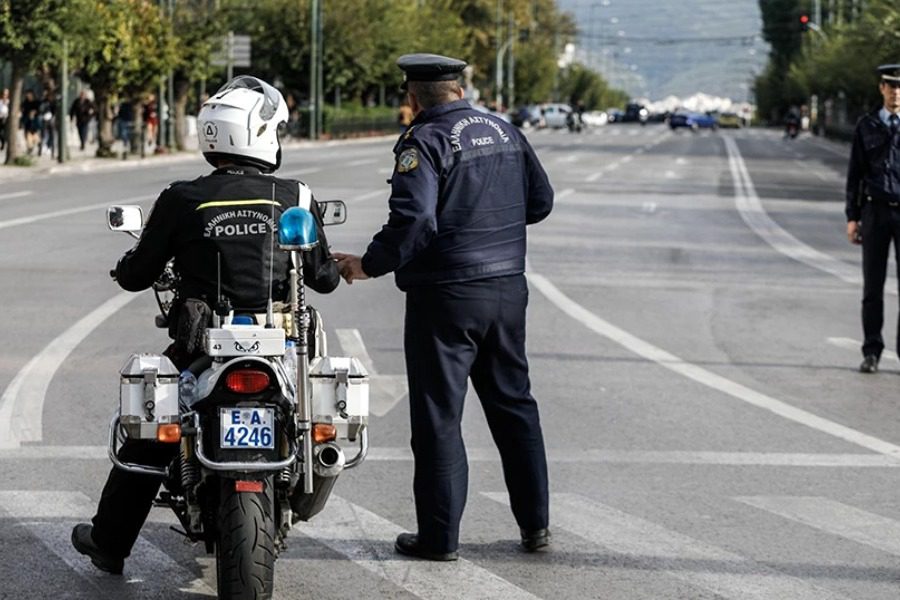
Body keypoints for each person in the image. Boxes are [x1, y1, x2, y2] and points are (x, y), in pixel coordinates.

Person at [70, 75, 341, 575]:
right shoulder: (295, 194)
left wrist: (127, 267)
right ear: (261, 134)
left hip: (202, 344)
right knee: (311, 415)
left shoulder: (181, 197)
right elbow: (323, 279)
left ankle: (110, 543)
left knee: (151, 432)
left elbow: (137, 274)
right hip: (278, 344)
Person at [334, 53, 554, 561]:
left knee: (438, 417)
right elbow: (540, 203)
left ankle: (439, 538)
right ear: (460, 88)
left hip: (446, 297)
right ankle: (536, 526)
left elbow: (415, 221)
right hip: (506, 288)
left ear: (412, 98)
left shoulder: (424, 141)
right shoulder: (505, 132)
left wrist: (368, 264)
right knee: (514, 405)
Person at [846, 64, 900, 374]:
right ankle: (872, 351)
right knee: (872, 288)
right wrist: (852, 217)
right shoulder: (866, 126)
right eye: (891, 86)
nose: (896, 92)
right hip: (875, 212)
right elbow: (855, 175)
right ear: (881, 88)